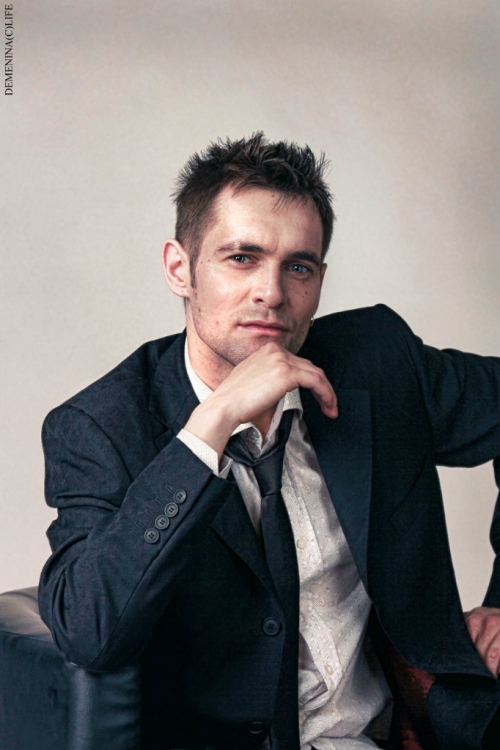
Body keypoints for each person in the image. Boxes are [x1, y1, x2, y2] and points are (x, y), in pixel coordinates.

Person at [39, 133, 500, 749]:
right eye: (241, 258)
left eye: (298, 267)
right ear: (180, 268)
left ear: (320, 278)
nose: (273, 293)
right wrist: (212, 424)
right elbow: (89, 630)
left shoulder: (379, 365)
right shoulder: (101, 426)